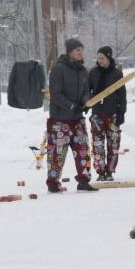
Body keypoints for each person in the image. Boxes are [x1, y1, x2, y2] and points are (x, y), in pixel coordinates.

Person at [45, 38, 96, 193]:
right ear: (69, 52)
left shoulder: (83, 71)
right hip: (60, 118)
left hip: (77, 118)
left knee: (82, 150)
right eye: (77, 50)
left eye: (81, 49)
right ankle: (53, 183)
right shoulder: (58, 69)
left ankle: (84, 181)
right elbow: (55, 93)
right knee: (57, 153)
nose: (80, 53)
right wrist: (70, 105)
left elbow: (86, 91)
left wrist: (85, 102)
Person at [87, 46, 126, 182]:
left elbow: (122, 95)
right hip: (97, 115)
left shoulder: (116, 74)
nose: (100, 60)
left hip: (113, 114)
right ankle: (100, 171)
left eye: (102, 58)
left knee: (113, 145)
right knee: (97, 145)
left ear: (108, 57)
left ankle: (109, 171)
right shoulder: (93, 73)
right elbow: (87, 92)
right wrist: (89, 100)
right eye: (98, 58)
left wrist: (121, 114)